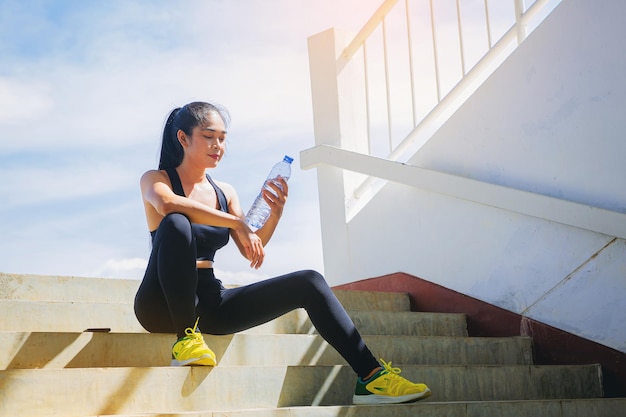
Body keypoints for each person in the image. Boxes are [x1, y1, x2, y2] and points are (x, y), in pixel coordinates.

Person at [133, 101, 431, 405]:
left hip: (209, 304)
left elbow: (253, 247)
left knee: (310, 281)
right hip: (161, 303)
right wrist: (238, 221)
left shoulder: (225, 192)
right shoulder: (157, 179)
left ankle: (371, 378)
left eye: (223, 138)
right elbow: (167, 204)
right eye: (209, 136)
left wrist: (275, 213)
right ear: (183, 138)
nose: (218, 146)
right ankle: (185, 339)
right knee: (176, 223)